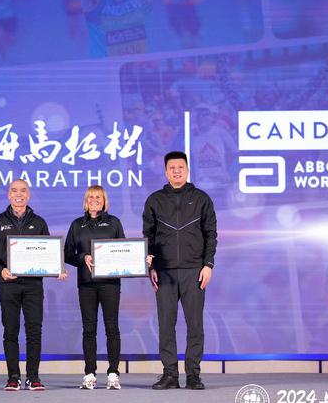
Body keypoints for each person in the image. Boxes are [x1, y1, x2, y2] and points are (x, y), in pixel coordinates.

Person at [142, 151, 217, 390]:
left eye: (180, 167)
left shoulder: (201, 199)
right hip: (163, 272)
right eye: (172, 168)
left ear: (187, 170)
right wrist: (151, 267)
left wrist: (208, 265)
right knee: (166, 324)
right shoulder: (155, 200)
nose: (176, 171)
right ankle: (170, 374)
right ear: (166, 172)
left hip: (194, 270)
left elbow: (211, 234)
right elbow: (148, 236)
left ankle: (193, 374)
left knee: (195, 325)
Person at [0, 179, 65, 391]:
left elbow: (48, 252)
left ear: (28, 195)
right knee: (10, 331)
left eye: (23, 190)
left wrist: (57, 268)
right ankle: (13, 377)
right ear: (8, 194)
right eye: (14, 190)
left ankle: (33, 377)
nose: (18, 194)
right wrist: (1, 270)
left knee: (34, 331)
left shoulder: (39, 222)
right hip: (8, 285)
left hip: (33, 286)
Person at [65, 185, 144, 390]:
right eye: (91, 197)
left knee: (112, 328)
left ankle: (113, 373)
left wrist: (141, 260)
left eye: (98, 197)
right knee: (89, 329)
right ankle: (89, 373)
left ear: (104, 200)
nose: (94, 200)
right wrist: (83, 257)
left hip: (110, 283)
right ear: (86, 201)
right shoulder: (77, 225)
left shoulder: (114, 223)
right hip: (86, 284)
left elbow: (124, 251)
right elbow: (67, 254)